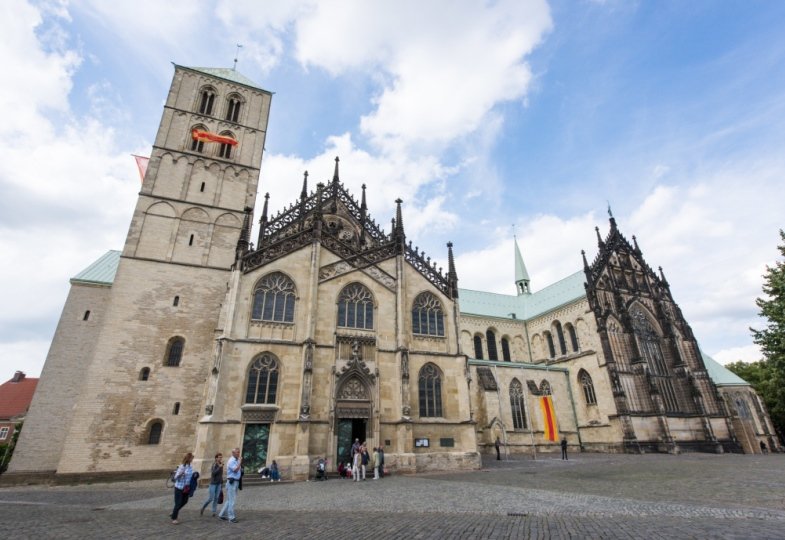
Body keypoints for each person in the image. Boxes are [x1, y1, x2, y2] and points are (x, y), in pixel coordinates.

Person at [218, 447, 242, 524]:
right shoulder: (231, 461)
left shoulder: (236, 460)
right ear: (233, 453)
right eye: (237, 452)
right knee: (232, 500)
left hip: (236, 481)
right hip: (232, 482)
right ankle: (231, 517)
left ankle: (222, 514)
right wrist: (240, 462)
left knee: (229, 500)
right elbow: (235, 470)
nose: (238, 454)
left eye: (239, 452)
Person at [170, 452, 194, 525]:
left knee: (185, 501)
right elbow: (175, 477)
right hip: (179, 487)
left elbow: (191, 476)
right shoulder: (182, 467)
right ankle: (174, 518)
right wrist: (180, 474)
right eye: (191, 458)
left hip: (186, 488)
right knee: (178, 502)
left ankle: (174, 512)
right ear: (188, 459)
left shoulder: (190, 467)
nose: (192, 460)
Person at [201, 453, 223, 517]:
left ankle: (214, 511)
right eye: (219, 457)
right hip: (213, 484)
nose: (220, 458)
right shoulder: (214, 465)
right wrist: (219, 467)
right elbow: (213, 473)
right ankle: (203, 507)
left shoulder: (221, 464)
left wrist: (221, 482)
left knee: (216, 498)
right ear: (216, 458)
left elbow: (220, 474)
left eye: (221, 457)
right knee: (211, 498)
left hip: (218, 484)